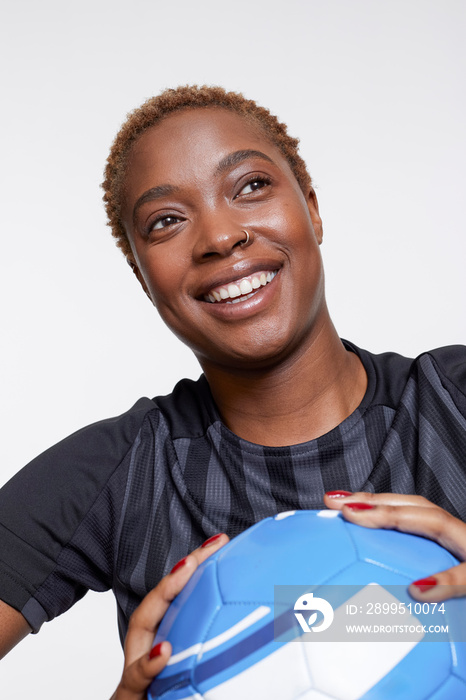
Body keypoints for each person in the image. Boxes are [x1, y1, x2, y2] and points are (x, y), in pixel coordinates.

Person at [1, 85, 466, 700]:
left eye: (250, 186)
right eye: (166, 220)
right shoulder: (117, 471)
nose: (220, 236)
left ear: (313, 209)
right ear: (143, 278)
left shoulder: (452, 399)